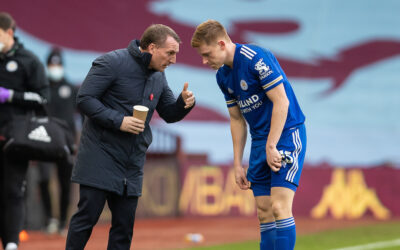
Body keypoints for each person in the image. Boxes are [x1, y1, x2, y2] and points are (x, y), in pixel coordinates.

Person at [65, 24, 195, 250]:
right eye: (170, 53)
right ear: (152, 47)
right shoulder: (111, 62)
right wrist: (119, 120)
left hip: (131, 162)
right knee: (86, 219)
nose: (173, 60)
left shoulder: (159, 76)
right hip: (99, 155)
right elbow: (84, 99)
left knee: (124, 229)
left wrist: (183, 103)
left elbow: (169, 114)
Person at [191, 20, 306, 250]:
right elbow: (236, 119)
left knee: (279, 207)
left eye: (206, 54)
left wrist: (272, 146)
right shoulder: (223, 77)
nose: (204, 61)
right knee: (263, 212)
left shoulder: (256, 57)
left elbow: (281, 101)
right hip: (260, 142)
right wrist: (237, 164)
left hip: (285, 134)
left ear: (222, 44)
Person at [0, 12, 49, 250]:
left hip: (16, 137)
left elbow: (42, 97)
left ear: (9, 32)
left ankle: (11, 243)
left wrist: (10, 96)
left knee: (13, 190)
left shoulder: (29, 61)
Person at [36, 48, 78, 234]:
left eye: (58, 64)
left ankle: (62, 221)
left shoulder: (71, 89)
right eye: (52, 64)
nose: (55, 68)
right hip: (43, 140)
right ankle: (49, 219)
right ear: (47, 66)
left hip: (65, 143)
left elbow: (84, 114)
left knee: (65, 182)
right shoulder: (40, 89)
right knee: (44, 179)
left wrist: (78, 141)